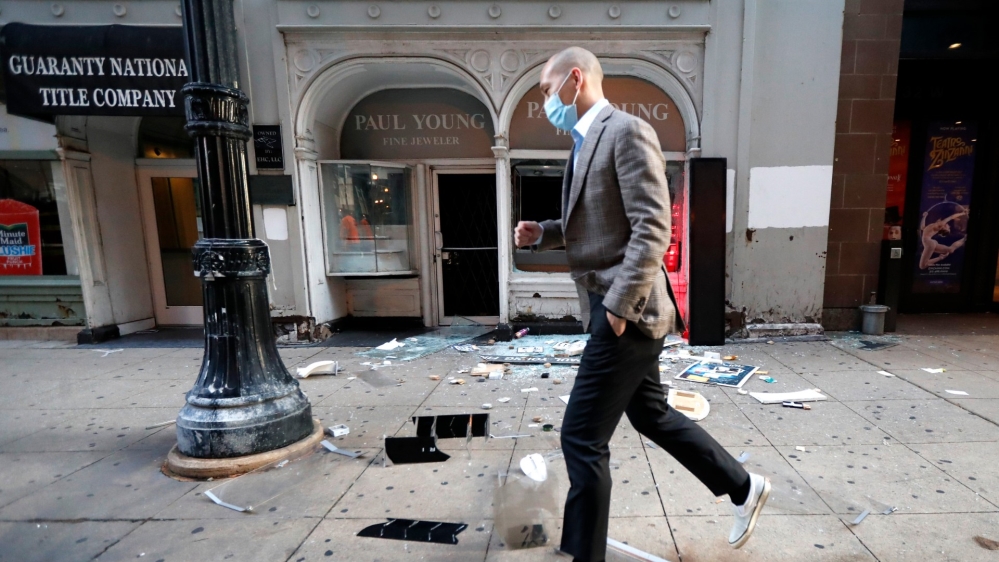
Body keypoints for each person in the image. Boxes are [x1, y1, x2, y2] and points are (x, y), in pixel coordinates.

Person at [513, 47, 769, 562]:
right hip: (614, 308)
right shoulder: (583, 142)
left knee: (581, 437)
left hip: (628, 311)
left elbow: (653, 226)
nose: (545, 102)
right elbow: (599, 225)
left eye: (546, 89)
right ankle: (744, 487)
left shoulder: (626, 132)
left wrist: (617, 308)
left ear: (575, 79)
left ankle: (582, 554)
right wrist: (544, 232)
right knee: (651, 414)